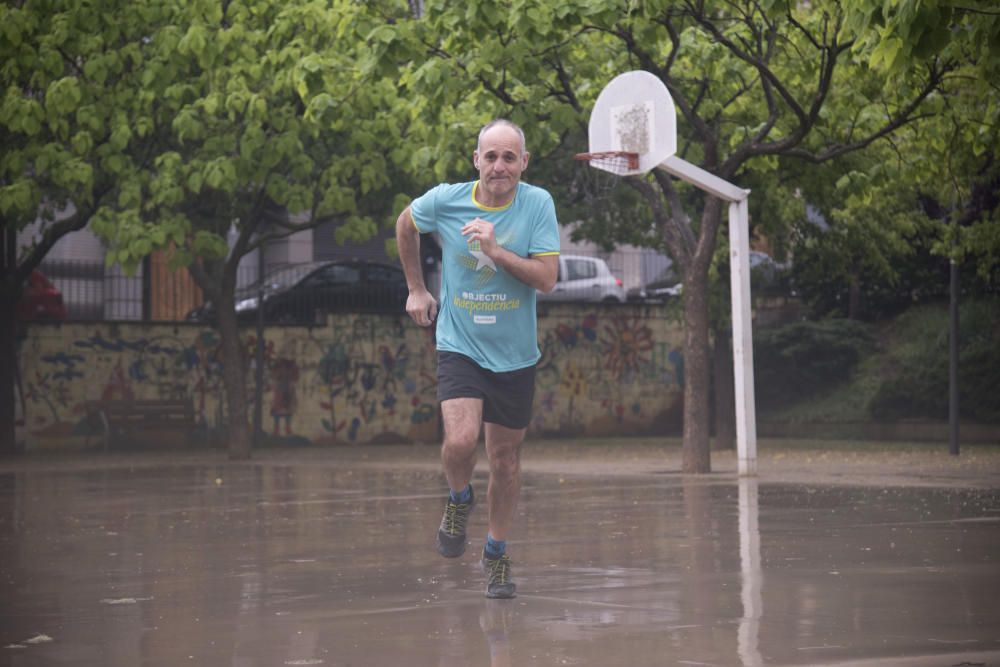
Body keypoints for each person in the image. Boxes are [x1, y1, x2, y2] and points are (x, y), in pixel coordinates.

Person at [395, 119, 560, 599]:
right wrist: (416, 288)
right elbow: (406, 223)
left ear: (523, 163)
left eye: (510, 157)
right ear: (476, 160)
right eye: (491, 157)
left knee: (505, 460)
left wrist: (496, 249)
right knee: (461, 440)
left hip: (514, 356)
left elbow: (547, 278)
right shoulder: (447, 199)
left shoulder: (538, 204)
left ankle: (496, 552)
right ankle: (458, 497)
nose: (500, 166)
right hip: (460, 344)